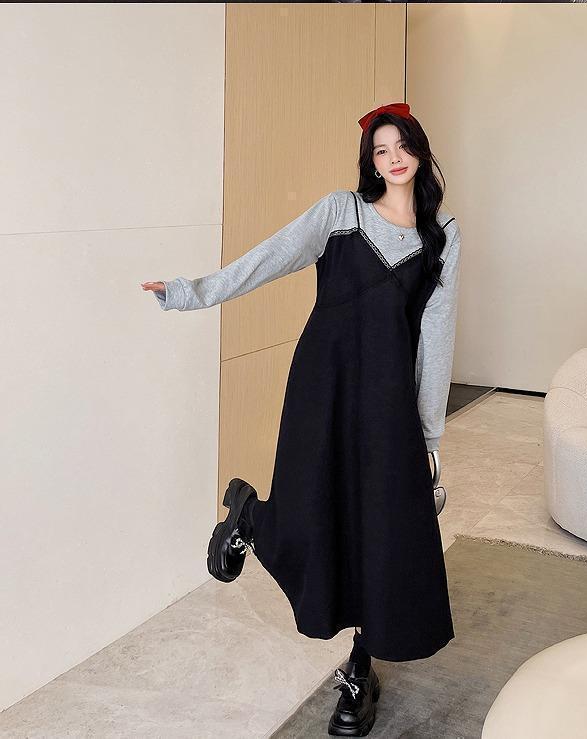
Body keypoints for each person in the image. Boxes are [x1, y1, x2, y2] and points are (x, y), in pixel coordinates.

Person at [141, 101, 461, 737]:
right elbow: (269, 258)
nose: (394, 159)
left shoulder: (442, 236)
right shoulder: (340, 213)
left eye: (402, 147)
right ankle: (253, 520)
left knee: (386, 533)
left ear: (420, 151)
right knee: (315, 508)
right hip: (324, 384)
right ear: (370, 161)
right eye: (381, 150)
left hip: (388, 403)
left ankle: (360, 669)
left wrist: (428, 434)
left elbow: (437, 336)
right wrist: (191, 291)